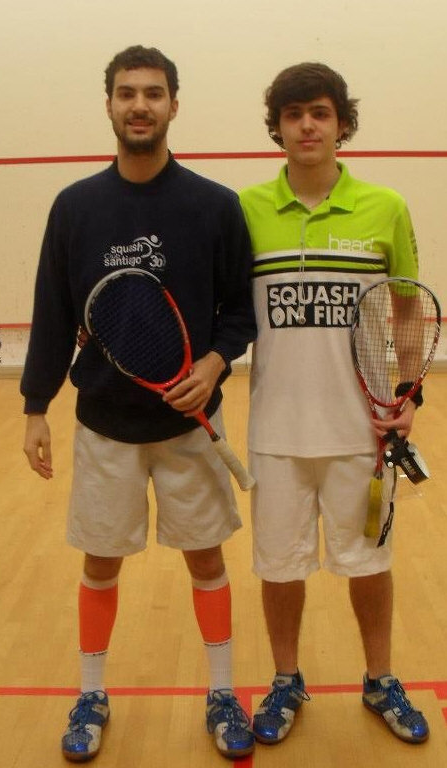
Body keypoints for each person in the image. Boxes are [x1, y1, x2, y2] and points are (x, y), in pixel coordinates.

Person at [21, 45, 256, 762]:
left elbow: (239, 311)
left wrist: (213, 363)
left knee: (206, 561)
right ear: (110, 105)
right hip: (104, 423)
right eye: (127, 93)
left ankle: (223, 692)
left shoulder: (214, 206)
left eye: (153, 93)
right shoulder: (76, 207)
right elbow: (53, 311)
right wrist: (35, 406)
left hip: (190, 423)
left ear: (174, 105)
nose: (140, 106)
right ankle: (92, 694)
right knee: (101, 565)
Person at [239, 62, 429, 746]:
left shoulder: (385, 207)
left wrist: (409, 392)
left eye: (320, 112)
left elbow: (408, 308)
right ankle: (286, 678)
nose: (307, 126)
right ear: (278, 128)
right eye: (293, 115)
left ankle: (379, 678)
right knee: (279, 568)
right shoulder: (246, 211)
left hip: (362, 432)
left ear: (342, 123)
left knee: (370, 565)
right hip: (276, 433)